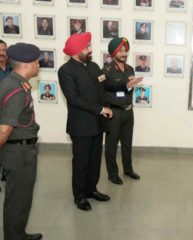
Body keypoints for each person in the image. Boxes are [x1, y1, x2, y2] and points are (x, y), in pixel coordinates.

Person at [58, 32, 113, 211]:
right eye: (87, 47)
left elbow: (104, 86)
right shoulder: (65, 71)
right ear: (76, 50)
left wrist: (126, 85)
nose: (90, 49)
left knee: (95, 161)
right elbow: (73, 98)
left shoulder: (94, 66)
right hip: (81, 126)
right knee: (81, 162)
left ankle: (91, 190)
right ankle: (79, 196)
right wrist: (100, 109)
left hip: (98, 124)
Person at [0, 43, 42, 240]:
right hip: (19, 152)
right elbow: (4, 129)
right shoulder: (17, 89)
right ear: (27, 64)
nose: (38, 66)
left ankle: (17, 234)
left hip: (17, 149)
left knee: (18, 198)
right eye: (36, 62)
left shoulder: (12, 82)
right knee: (18, 199)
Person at [101, 37, 142, 185]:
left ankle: (128, 169)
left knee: (127, 142)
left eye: (126, 50)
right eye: (121, 50)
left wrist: (129, 86)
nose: (124, 53)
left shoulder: (130, 69)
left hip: (128, 111)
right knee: (111, 145)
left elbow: (128, 89)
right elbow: (109, 86)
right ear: (113, 53)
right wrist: (126, 85)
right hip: (114, 112)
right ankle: (112, 174)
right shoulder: (106, 70)